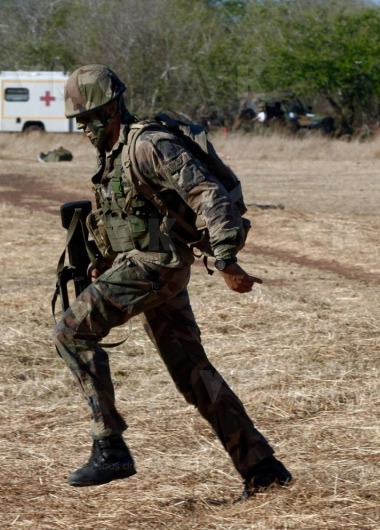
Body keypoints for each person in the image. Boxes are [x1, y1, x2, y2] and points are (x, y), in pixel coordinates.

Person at [54, 65, 292, 498]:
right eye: (79, 121)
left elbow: (208, 194)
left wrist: (226, 259)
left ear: (113, 107)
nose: (85, 128)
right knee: (194, 375)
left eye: (92, 117)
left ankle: (109, 445)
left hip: (155, 269)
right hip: (145, 266)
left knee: (71, 331)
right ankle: (264, 469)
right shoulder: (112, 151)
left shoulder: (148, 145)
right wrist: (102, 263)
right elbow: (129, 216)